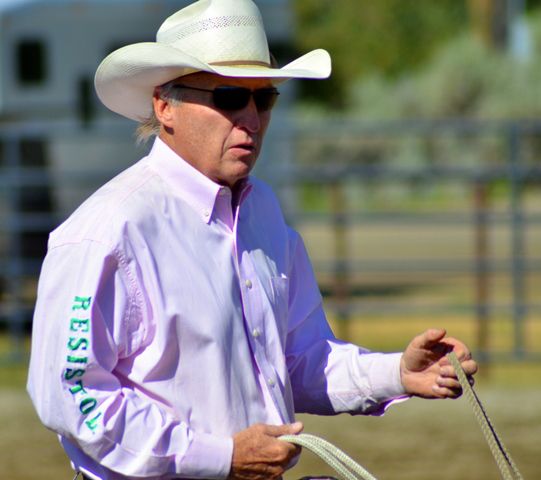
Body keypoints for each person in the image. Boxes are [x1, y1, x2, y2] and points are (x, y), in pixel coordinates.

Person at [27, 1, 478, 479]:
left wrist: (395, 375)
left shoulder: (261, 213)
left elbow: (297, 359)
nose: (251, 119)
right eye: (227, 97)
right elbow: (72, 395)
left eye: (263, 100)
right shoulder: (108, 231)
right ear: (165, 105)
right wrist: (220, 457)